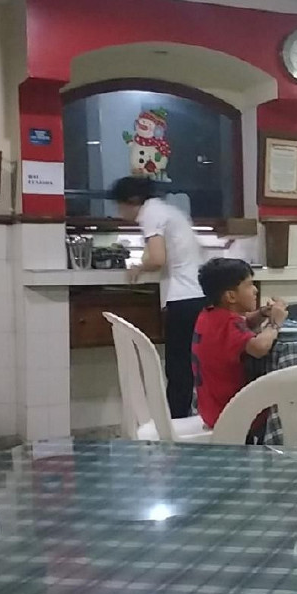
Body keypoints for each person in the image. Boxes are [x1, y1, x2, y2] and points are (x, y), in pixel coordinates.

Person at [109, 176, 205, 420]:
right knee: (190, 365)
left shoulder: (150, 214)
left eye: (119, 205)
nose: (119, 212)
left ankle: (176, 422)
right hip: (196, 295)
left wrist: (138, 268)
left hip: (183, 297)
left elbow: (157, 258)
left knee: (178, 367)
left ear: (131, 201)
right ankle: (188, 418)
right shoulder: (166, 210)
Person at [192, 258, 287, 430]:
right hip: (232, 413)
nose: (255, 290)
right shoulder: (229, 324)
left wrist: (262, 313)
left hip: (211, 410)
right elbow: (259, 348)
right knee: (288, 402)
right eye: (249, 285)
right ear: (231, 296)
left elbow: (242, 324)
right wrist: (275, 323)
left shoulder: (209, 316)